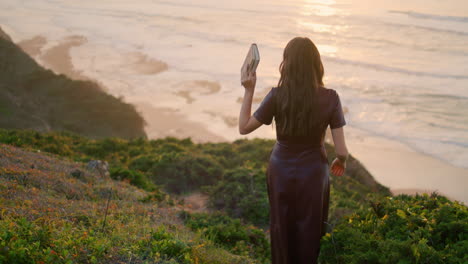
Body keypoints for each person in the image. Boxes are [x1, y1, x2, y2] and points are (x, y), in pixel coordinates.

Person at [238, 36, 349, 263]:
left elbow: (244, 128)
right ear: (316, 64)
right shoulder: (331, 98)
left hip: (281, 169)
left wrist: (249, 90)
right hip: (314, 172)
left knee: (282, 228)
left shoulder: (277, 95)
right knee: (310, 230)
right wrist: (341, 162)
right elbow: (342, 151)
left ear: (287, 63)